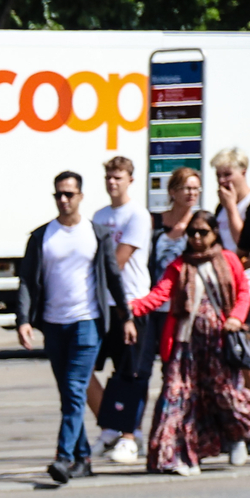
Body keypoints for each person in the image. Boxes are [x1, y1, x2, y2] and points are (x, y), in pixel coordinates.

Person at [127, 210, 250, 474]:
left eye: (203, 232)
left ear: (214, 233)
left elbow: (243, 292)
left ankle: (237, 437)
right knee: (176, 398)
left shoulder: (229, 260)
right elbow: (159, 294)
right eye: (192, 232)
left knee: (227, 396)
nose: (197, 238)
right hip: (185, 346)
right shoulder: (178, 265)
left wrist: (235, 318)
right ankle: (171, 456)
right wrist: (131, 308)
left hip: (219, 344)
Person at [15, 171, 122, 483]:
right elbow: (27, 282)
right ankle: (84, 457)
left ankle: (63, 457)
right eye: (58, 195)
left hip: (87, 322)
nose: (63, 200)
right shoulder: (42, 236)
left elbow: (113, 277)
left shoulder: (95, 233)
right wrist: (23, 320)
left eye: (69, 194)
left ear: (81, 196)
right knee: (68, 394)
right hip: (54, 324)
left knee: (76, 389)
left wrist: (126, 317)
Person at [90, 156, 154, 464]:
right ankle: (112, 427)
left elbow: (117, 261)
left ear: (130, 179)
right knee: (88, 370)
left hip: (131, 302)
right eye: (109, 177)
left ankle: (130, 435)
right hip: (103, 304)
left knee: (130, 371)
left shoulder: (137, 215)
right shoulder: (99, 215)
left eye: (118, 177)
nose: (112, 182)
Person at [215, 149, 250, 253]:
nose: (221, 180)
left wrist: (231, 207)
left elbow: (243, 243)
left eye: (227, 175)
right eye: (218, 176)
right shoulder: (221, 207)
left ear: (243, 173)